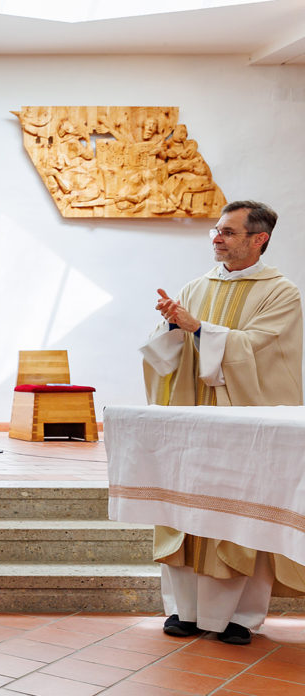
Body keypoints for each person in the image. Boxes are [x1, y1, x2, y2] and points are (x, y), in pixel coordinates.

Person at [142, 200, 305, 645]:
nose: (217, 237)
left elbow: (259, 350)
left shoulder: (281, 292)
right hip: (194, 420)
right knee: (187, 509)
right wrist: (173, 328)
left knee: (245, 510)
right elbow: (167, 353)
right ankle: (184, 611)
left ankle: (242, 617)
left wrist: (199, 329)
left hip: (245, 424)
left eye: (228, 232)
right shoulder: (195, 287)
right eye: (216, 230)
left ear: (259, 239)